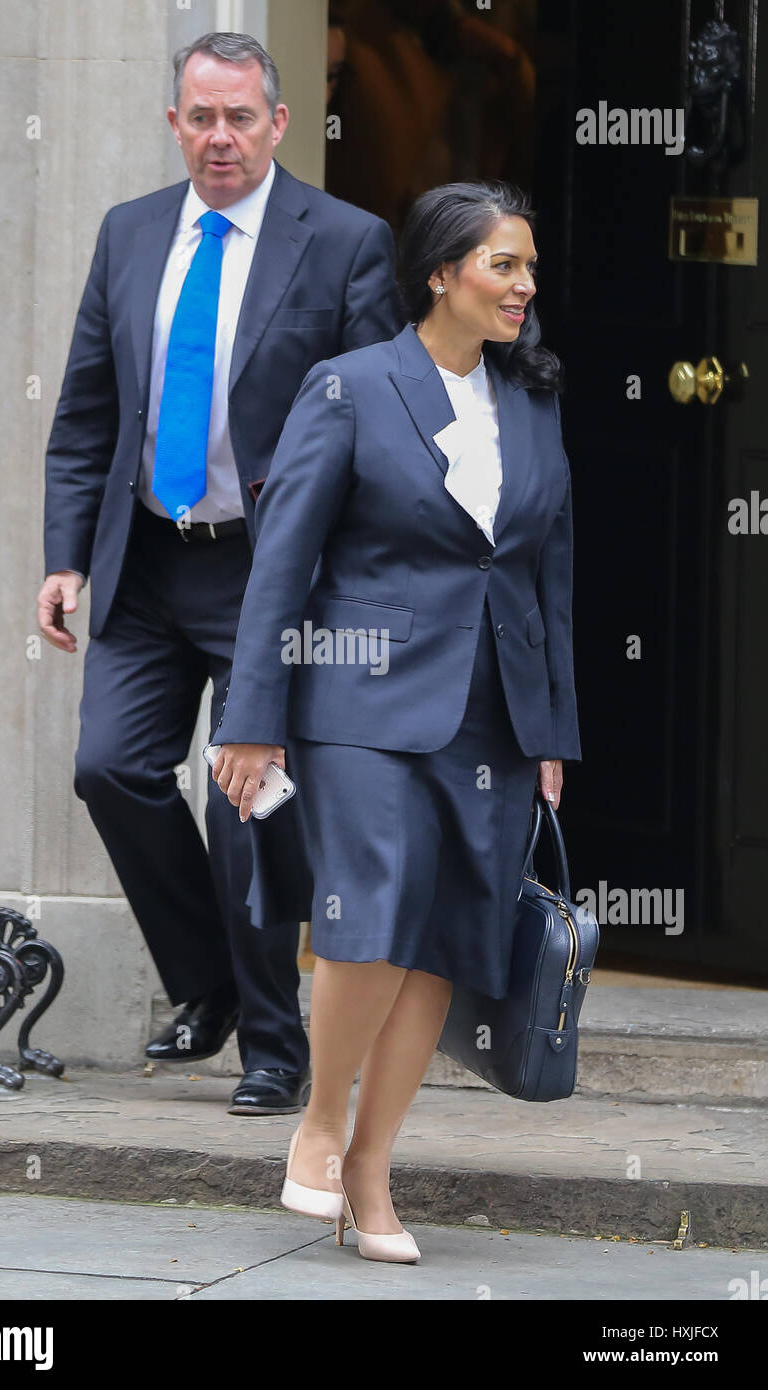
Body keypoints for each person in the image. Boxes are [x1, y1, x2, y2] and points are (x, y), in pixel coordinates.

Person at [212, 180, 580, 1258]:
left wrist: (550, 730)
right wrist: (250, 718)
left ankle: (373, 1169)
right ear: (438, 274)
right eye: (500, 265)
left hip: (493, 715)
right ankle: (318, 1129)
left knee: (440, 942)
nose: (521, 286)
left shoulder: (534, 401)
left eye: (526, 267)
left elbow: (545, 573)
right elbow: (280, 567)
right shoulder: (349, 387)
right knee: (366, 908)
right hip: (361, 700)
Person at [38, 32, 402, 1116]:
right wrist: (64, 558)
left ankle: (274, 1048)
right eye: (200, 117)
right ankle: (206, 984)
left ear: (278, 123)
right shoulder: (129, 233)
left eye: (240, 118)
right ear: (174, 124)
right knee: (109, 767)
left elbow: (374, 430)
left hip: (267, 570)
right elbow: (87, 413)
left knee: (244, 797)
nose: (220, 138)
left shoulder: (344, 243)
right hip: (146, 559)